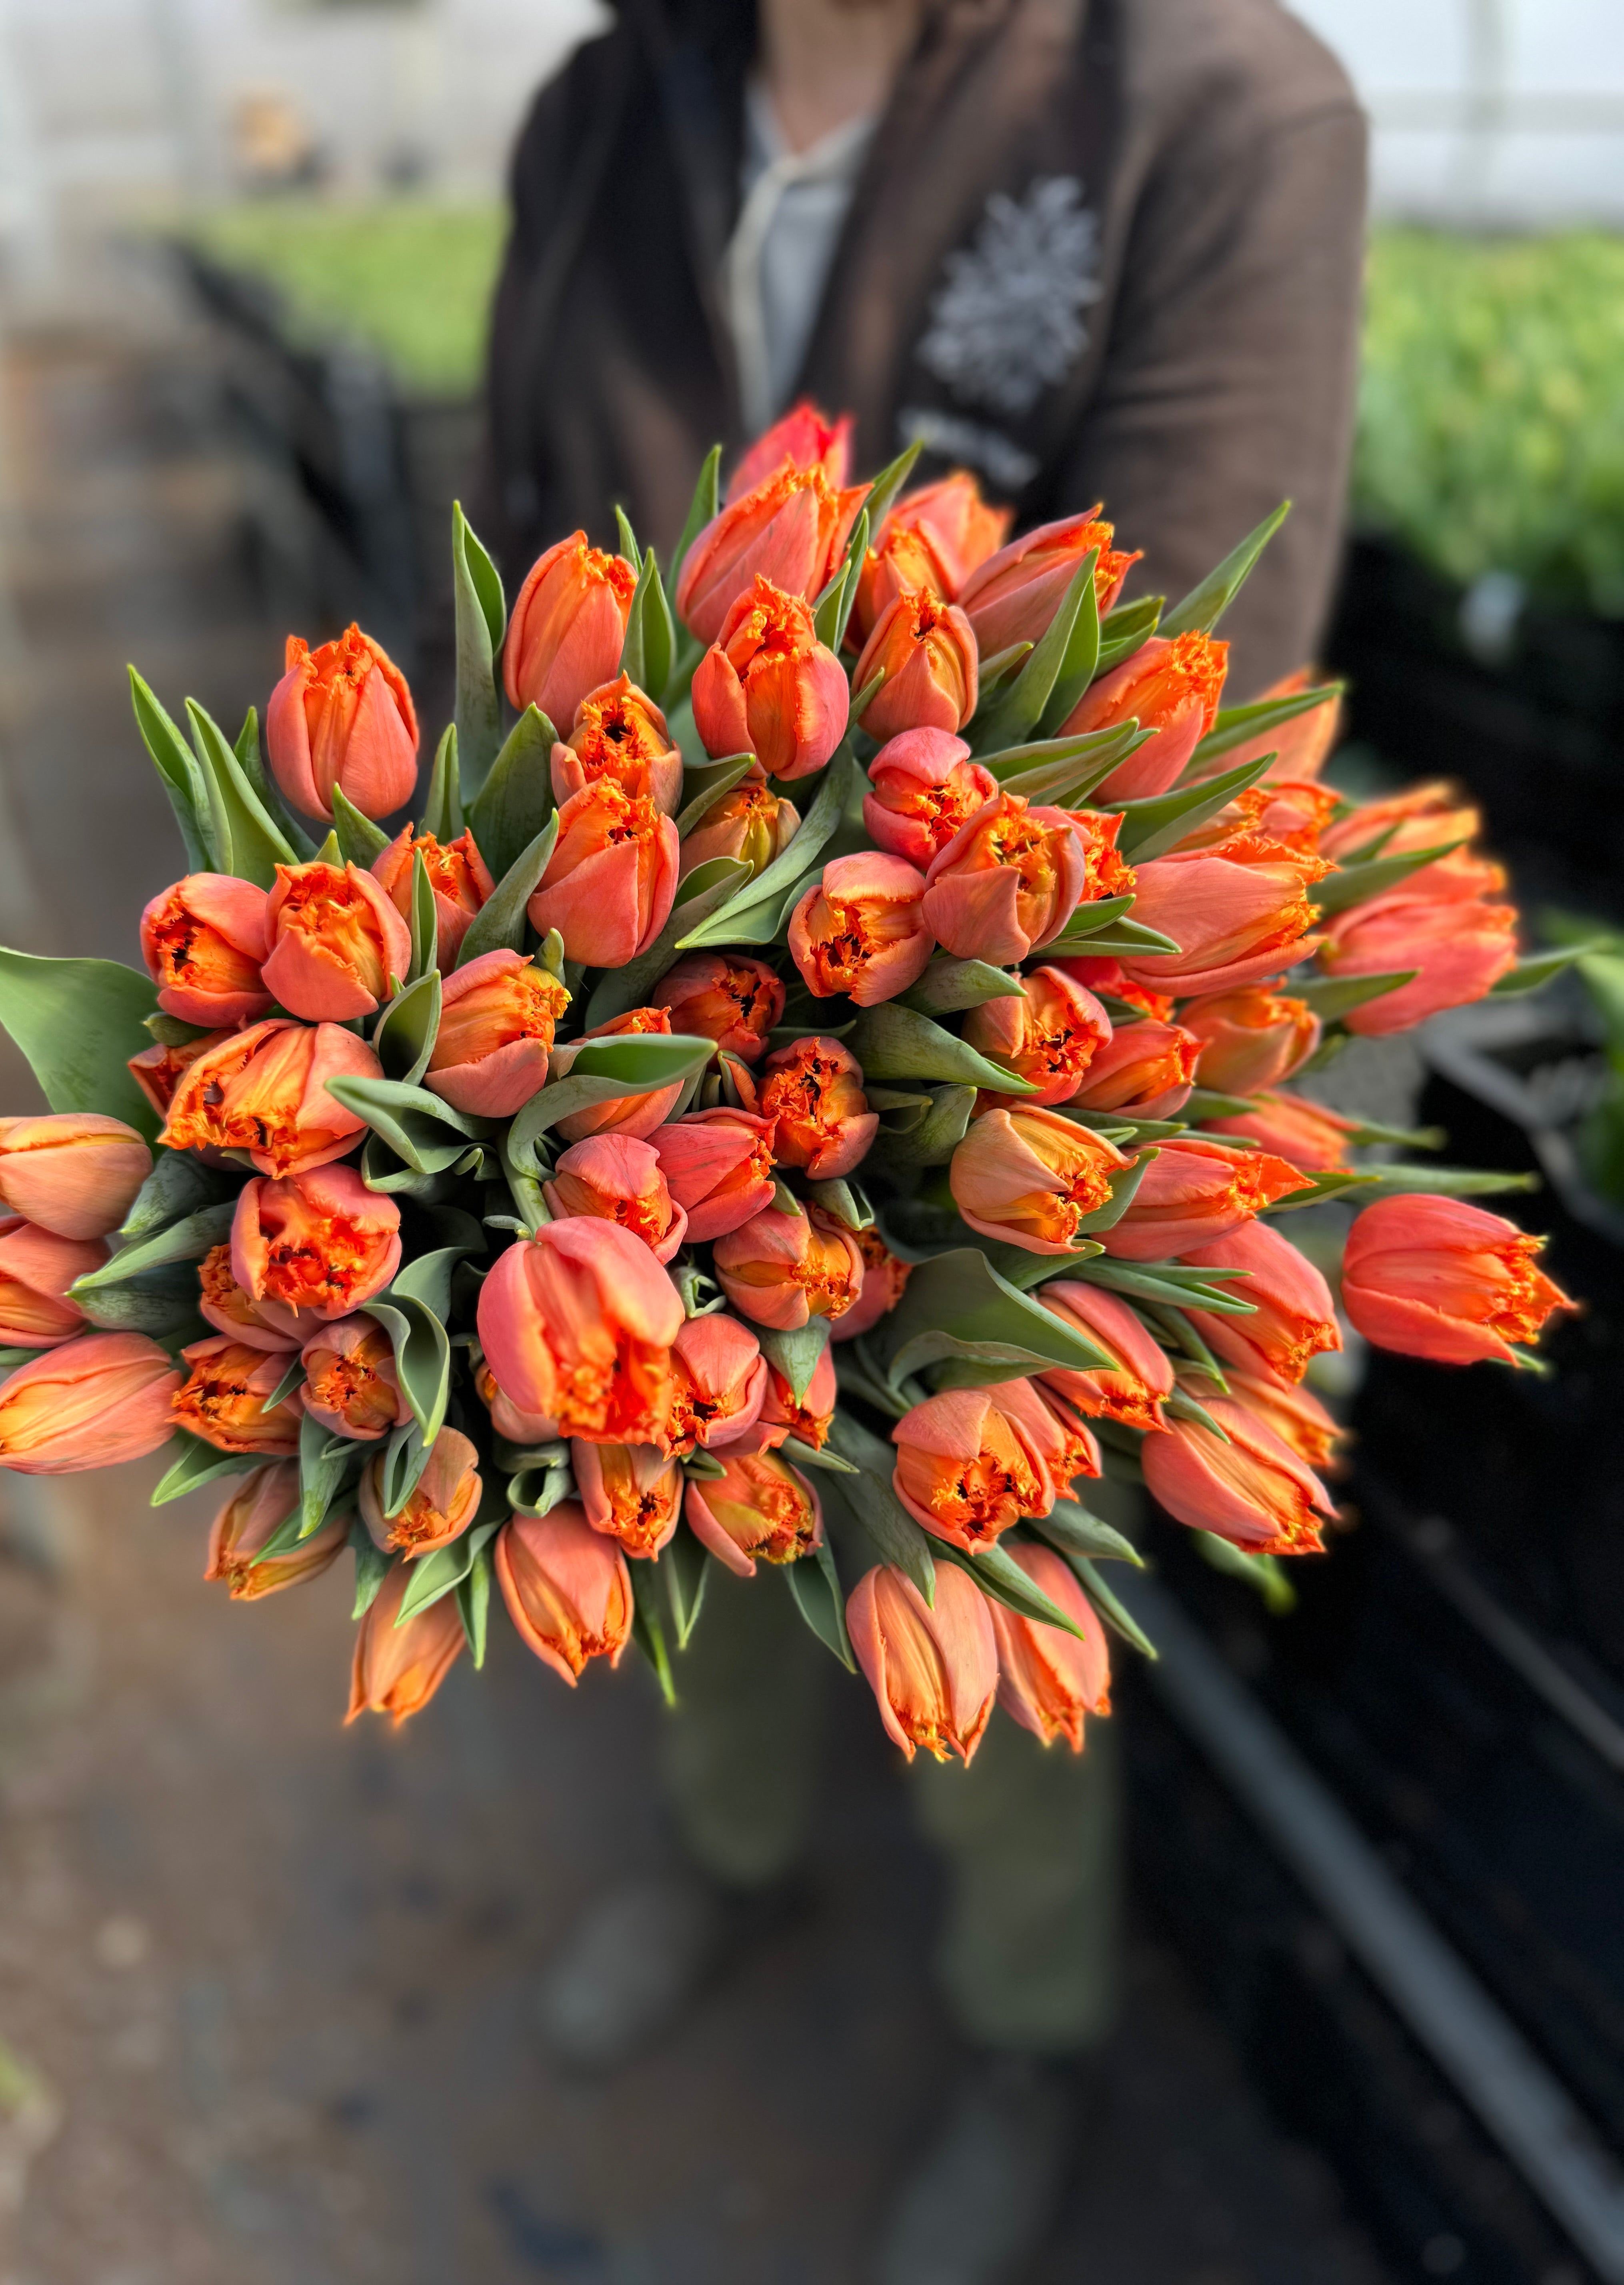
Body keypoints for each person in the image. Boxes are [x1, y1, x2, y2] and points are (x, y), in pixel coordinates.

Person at [478, 3, 1365, 2277]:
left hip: (993, 1068)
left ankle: (1025, 2034)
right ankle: (728, 1855)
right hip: (612, 1047)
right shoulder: (609, 102)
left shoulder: (1206, 97)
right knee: (663, 1489)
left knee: (958, 1551)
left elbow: (1196, 668)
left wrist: (804, 1007)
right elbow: (502, 553)